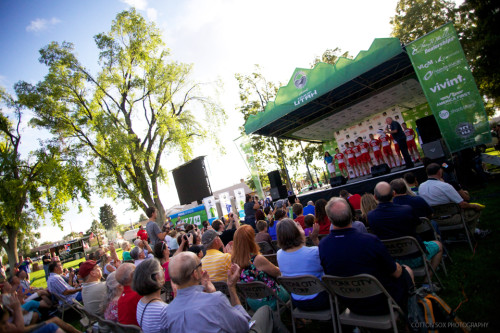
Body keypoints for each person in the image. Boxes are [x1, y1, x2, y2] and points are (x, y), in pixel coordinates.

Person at [319, 197, 414, 315]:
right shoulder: (369, 241)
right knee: (407, 270)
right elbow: (396, 272)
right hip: (382, 302)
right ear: (351, 214)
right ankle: (412, 316)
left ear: (330, 219)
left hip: (350, 302)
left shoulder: (323, 245)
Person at [165, 252, 289, 333]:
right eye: (200, 265)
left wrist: (212, 293)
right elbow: (244, 325)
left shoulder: (167, 312)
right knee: (266, 311)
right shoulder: (214, 300)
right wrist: (231, 287)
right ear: (195, 274)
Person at [368, 182, 442, 278]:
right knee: (439, 245)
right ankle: (428, 279)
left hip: (391, 260)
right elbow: (419, 225)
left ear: (375, 197)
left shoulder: (371, 216)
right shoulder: (406, 210)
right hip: (415, 256)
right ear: (393, 194)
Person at [419, 163, 488, 237]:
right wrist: (474, 206)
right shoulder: (445, 186)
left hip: (434, 219)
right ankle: (471, 233)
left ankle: (456, 234)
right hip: (451, 218)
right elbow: (462, 204)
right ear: (440, 172)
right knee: (475, 210)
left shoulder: (421, 187)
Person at [232, 225, 289, 311]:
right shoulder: (256, 259)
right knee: (291, 288)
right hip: (270, 301)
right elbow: (278, 273)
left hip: (252, 302)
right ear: (251, 240)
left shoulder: (234, 261)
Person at [276, 219, 329, 311]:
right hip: (320, 299)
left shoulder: (279, 254)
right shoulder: (314, 252)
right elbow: (329, 263)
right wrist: (315, 239)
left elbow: (299, 253)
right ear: (296, 232)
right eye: (297, 226)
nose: (300, 226)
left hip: (297, 301)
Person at [132, 259, 168, 333]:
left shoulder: (141, 302)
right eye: (162, 270)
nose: (164, 272)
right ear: (157, 277)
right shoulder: (163, 310)